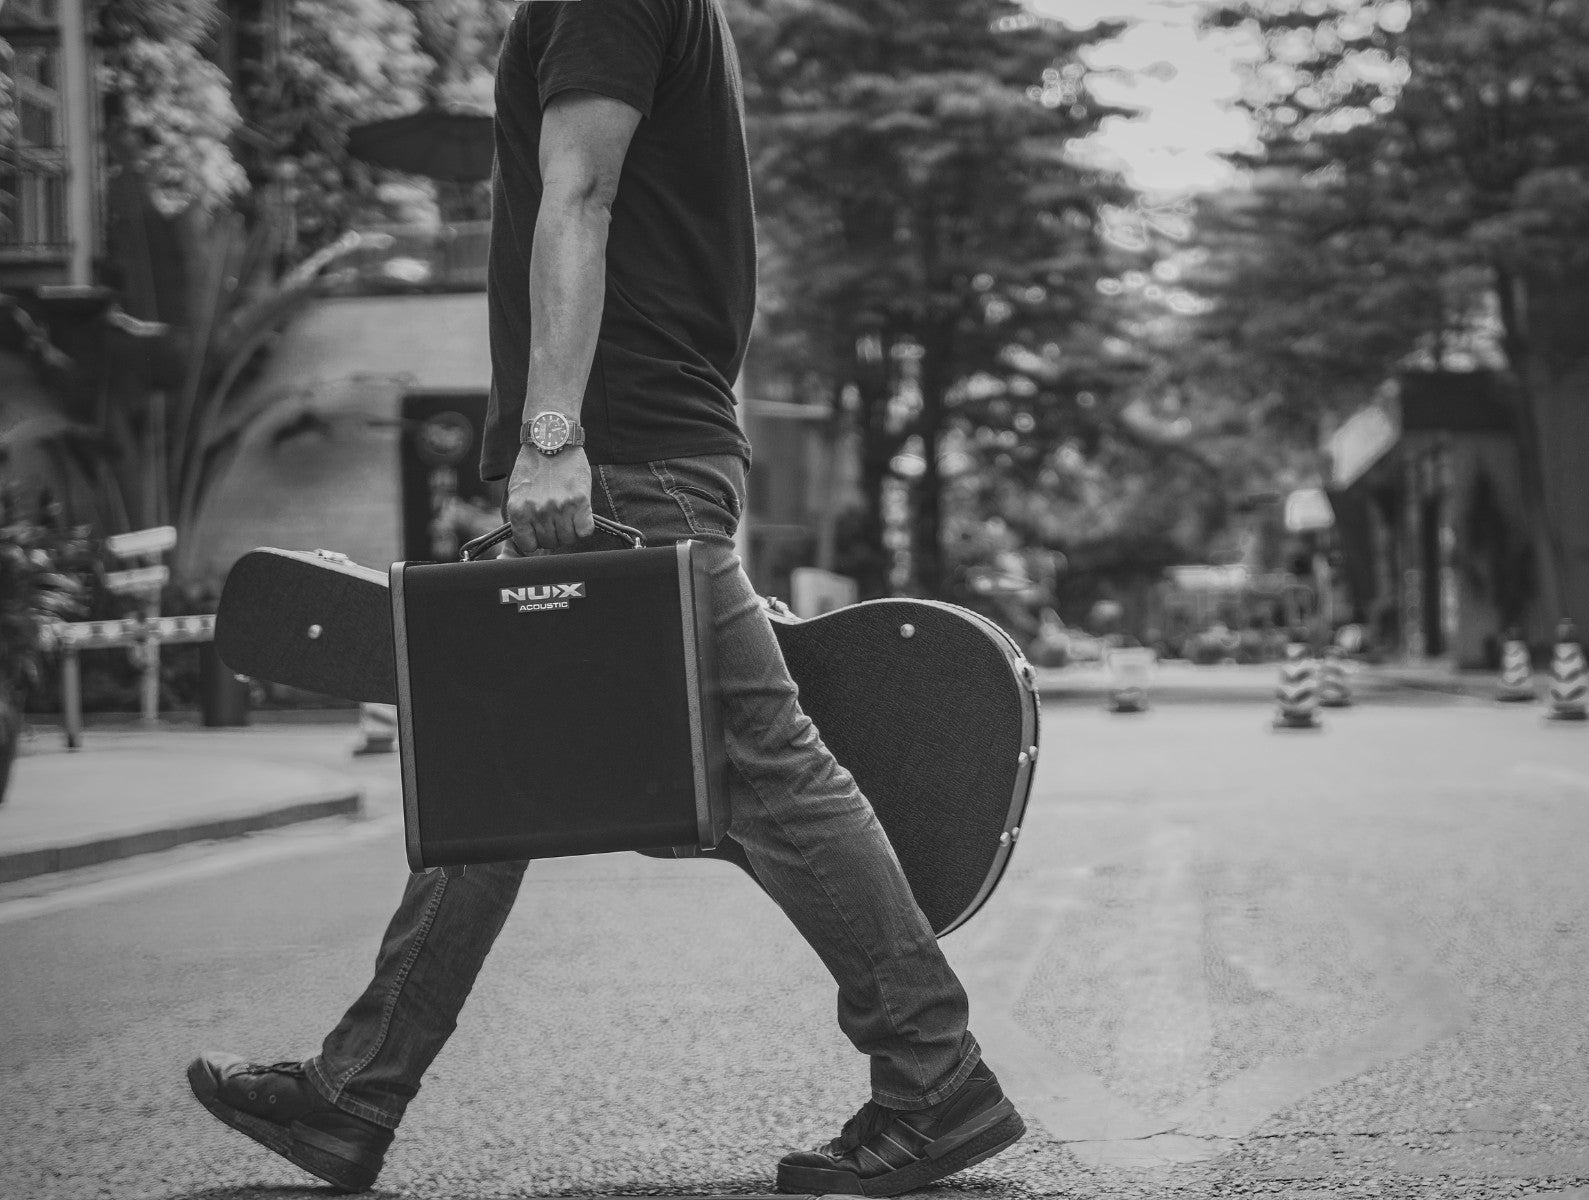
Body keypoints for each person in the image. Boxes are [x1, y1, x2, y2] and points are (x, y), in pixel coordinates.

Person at [183, 0, 1024, 1194]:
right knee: (494, 765)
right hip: (647, 445)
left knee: (768, 763)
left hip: (621, 452)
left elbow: (580, 194)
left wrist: (553, 435)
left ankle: (937, 1077)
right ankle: (355, 1091)